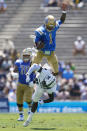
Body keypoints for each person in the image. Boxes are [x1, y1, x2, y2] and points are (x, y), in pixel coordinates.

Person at [32, 0, 68, 77]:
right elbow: (35, 44)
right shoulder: (40, 31)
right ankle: (31, 77)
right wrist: (38, 45)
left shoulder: (55, 26)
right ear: (45, 24)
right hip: (41, 51)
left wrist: (64, 12)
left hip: (51, 51)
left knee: (56, 70)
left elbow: (61, 20)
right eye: (49, 26)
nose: (51, 28)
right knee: (33, 65)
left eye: (52, 26)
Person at [14, 48, 36, 121]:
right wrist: (14, 73)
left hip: (28, 85)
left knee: (27, 99)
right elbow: (15, 70)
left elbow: (36, 73)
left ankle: (30, 107)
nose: (26, 57)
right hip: (20, 84)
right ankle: (21, 115)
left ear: (30, 56)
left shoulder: (32, 63)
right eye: (25, 55)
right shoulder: (18, 62)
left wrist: (33, 81)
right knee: (19, 100)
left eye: (27, 55)